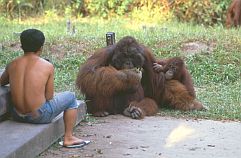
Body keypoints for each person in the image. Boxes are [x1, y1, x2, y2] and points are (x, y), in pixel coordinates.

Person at [0, 29, 90, 148]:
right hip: (39, 116)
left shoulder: (12, 64)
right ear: (41, 47)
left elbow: (2, 81)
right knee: (71, 97)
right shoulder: (47, 66)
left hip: (17, 115)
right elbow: (49, 97)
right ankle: (68, 137)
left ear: (21, 46)